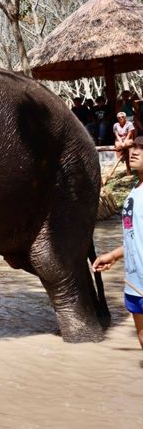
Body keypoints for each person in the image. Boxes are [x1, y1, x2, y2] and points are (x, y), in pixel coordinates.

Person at [93, 136, 143, 350]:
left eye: (142, 149)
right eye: (134, 147)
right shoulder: (134, 193)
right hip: (134, 283)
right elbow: (135, 237)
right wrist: (113, 255)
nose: (134, 152)